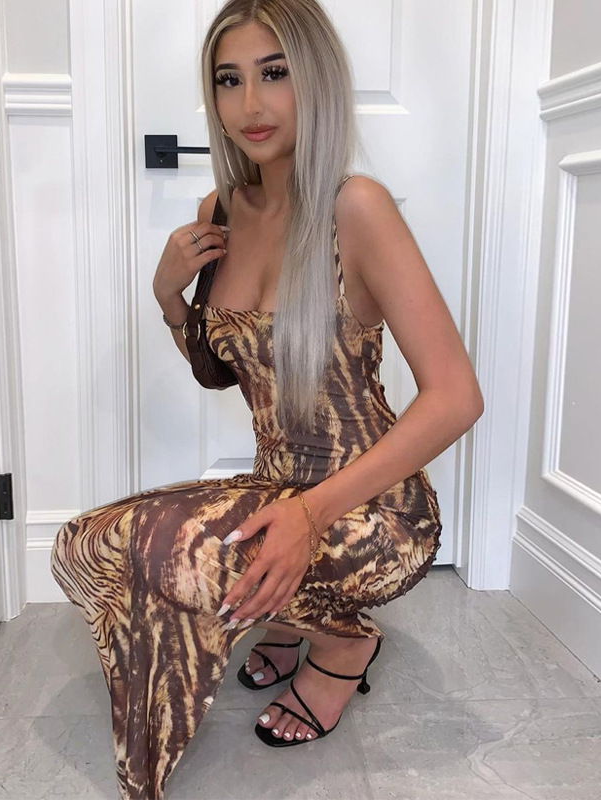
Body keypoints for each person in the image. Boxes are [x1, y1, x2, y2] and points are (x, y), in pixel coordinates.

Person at [51, 0, 484, 798]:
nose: (250, 104)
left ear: (315, 79)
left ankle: (343, 644)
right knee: (84, 545)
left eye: (274, 73)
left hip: (374, 509)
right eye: (229, 80)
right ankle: (290, 612)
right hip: (275, 488)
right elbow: (219, 375)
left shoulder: (356, 208)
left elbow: (456, 397)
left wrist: (310, 515)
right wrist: (170, 298)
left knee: (169, 555)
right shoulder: (217, 212)